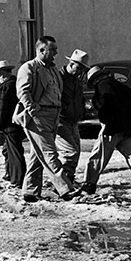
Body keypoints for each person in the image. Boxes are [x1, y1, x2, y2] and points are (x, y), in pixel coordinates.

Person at [14, 36, 79, 202]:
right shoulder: (29, 68)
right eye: (53, 50)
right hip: (38, 117)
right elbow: (23, 92)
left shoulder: (52, 70)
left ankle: (30, 191)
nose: (56, 53)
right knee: (50, 153)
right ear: (41, 50)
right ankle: (65, 189)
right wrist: (33, 109)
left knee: (38, 154)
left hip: (53, 115)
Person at [82, 66, 131, 198]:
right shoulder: (122, 86)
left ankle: (89, 184)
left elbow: (107, 101)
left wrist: (105, 119)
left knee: (99, 156)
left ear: (96, 78)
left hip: (112, 127)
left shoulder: (103, 85)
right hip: (128, 128)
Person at [57, 49, 89, 187]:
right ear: (71, 63)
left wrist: (81, 111)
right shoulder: (59, 78)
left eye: (83, 68)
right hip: (61, 120)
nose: (81, 71)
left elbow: (80, 98)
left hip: (73, 120)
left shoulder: (77, 80)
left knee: (76, 152)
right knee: (70, 152)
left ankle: (68, 179)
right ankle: (62, 183)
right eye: (79, 67)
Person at [0, 59, 24, 188]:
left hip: (9, 125)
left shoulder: (5, 87)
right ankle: (10, 174)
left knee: (14, 153)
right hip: (18, 122)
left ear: (3, 74)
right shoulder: (17, 84)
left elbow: (2, 108)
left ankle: (17, 178)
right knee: (8, 150)